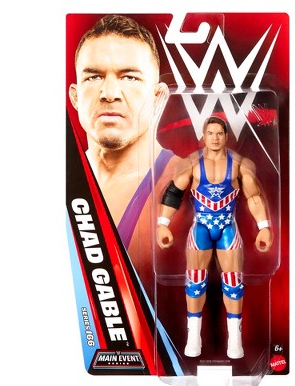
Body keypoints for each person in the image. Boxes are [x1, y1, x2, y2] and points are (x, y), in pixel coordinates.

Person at [68, 15, 182, 300]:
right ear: (75, 97)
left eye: (129, 77)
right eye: (93, 77)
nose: (109, 93)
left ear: (158, 97)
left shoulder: (190, 184)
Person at [156, 116, 272, 359]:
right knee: (195, 281)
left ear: (226, 136)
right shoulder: (191, 163)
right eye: (210, 133)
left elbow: (254, 197)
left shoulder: (240, 164)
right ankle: (193, 338)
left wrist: (263, 227)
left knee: (233, 283)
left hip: (228, 228)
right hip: (201, 228)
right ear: (204, 135)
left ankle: (235, 341)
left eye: (219, 133)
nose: (215, 138)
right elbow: (174, 192)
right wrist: (163, 224)